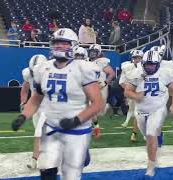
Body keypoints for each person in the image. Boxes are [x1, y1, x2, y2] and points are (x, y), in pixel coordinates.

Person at [11, 28, 104, 180]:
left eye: (64, 43)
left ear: (73, 46)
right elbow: (36, 98)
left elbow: (97, 103)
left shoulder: (83, 68)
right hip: (52, 128)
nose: (60, 46)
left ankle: (83, 152)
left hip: (76, 130)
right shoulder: (43, 68)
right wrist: (23, 116)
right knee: (46, 170)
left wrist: (76, 120)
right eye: (57, 43)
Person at [124, 50, 173, 177]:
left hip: (158, 108)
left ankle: (150, 167)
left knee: (150, 134)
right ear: (143, 63)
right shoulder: (137, 73)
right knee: (147, 137)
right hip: (141, 111)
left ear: (158, 64)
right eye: (147, 64)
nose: (150, 67)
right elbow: (127, 92)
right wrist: (136, 96)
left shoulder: (165, 73)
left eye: (152, 64)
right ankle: (157, 137)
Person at [20, 55, 48, 169]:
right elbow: (25, 89)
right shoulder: (28, 74)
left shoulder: (52, 73)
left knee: (38, 132)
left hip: (49, 107)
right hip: (36, 106)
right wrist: (23, 102)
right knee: (41, 134)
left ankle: (34, 159)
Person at [88, 44, 115, 138]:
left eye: (94, 52)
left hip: (101, 87)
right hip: (91, 87)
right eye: (91, 52)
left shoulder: (102, 62)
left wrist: (105, 82)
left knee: (100, 112)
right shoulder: (87, 62)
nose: (92, 54)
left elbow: (111, 73)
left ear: (98, 53)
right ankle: (96, 129)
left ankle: (106, 107)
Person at [119, 50, 144, 142]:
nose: (137, 59)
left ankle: (141, 133)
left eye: (139, 58)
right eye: (135, 58)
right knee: (136, 113)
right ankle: (135, 133)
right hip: (133, 93)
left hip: (145, 93)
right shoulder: (127, 67)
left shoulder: (146, 66)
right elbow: (121, 82)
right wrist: (130, 91)